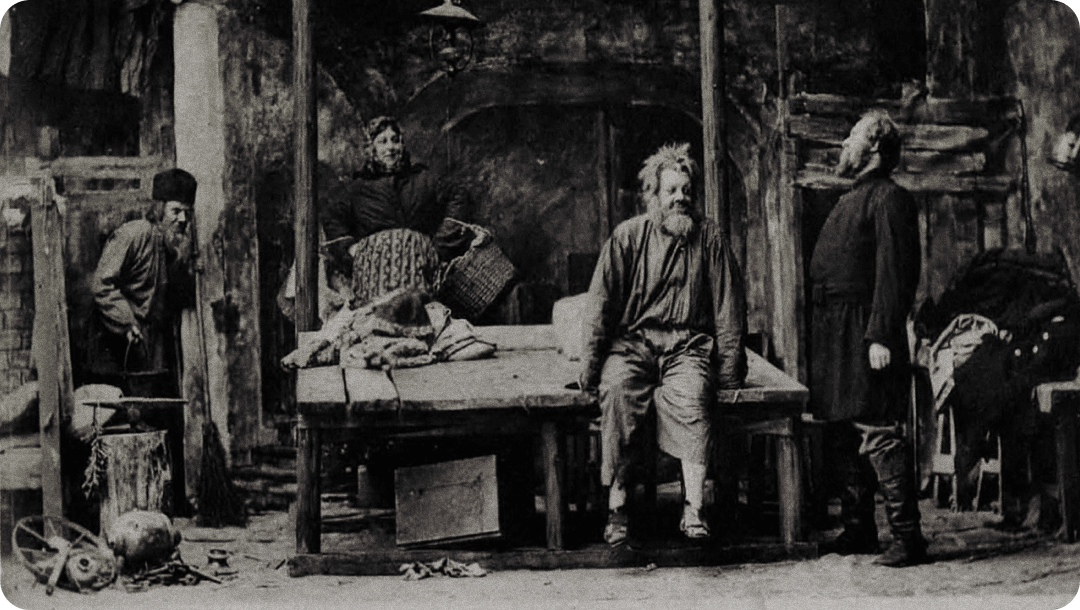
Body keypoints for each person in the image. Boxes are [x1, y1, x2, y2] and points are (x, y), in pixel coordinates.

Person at [580, 142, 747, 546]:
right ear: (652, 195)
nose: (680, 198)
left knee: (693, 397)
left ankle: (693, 508)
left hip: (688, 348)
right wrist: (590, 369)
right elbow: (599, 306)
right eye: (671, 190)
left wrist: (727, 376)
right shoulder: (627, 237)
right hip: (633, 345)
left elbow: (728, 308)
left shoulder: (710, 238)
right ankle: (618, 508)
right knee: (617, 393)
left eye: (686, 191)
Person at [809, 110, 927, 567]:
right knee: (845, 429)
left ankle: (908, 537)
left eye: (852, 136)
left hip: (864, 332)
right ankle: (859, 529)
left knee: (877, 429)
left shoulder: (890, 199)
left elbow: (895, 274)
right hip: (837, 332)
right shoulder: (854, 197)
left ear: (875, 146)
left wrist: (881, 335)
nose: (845, 144)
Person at [319, 116, 474, 289]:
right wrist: (350, 248)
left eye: (395, 140)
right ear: (372, 148)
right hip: (375, 279)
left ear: (402, 145)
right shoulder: (357, 189)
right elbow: (331, 216)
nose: (390, 147)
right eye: (382, 142)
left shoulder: (423, 179)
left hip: (421, 275)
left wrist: (440, 246)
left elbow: (459, 196)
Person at [87, 168, 196, 398]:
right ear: (159, 209)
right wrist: (126, 322)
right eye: (176, 211)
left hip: (147, 349)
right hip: (114, 343)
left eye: (188, 213)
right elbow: (101, 285)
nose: (183, 220)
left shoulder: (170, 249)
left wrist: (185, 263)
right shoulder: (134, 234)